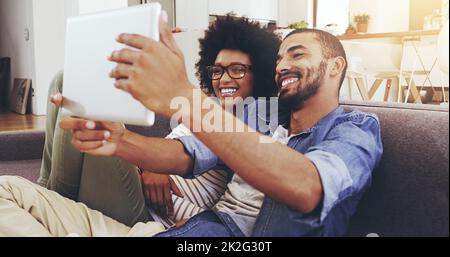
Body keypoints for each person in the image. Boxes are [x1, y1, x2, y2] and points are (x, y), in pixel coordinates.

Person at [0, 11, 382, 237]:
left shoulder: (355, 129)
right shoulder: (259, 113)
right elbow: (182, 155)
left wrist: (184, 93)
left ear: (336, 66)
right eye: (280, 57)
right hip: (162, 232)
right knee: (6, 190)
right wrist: (120, 141)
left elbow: (307, 187)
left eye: (296, 55)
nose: (282, 65)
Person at [36, 15, 280, 229]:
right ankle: (47, 190)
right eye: (216, 71)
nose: (223, 79)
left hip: (148, 212)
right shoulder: (209, 105)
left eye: (237, 70)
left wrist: (160, 168)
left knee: (79, 89)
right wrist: (151, 167)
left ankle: (52, 201)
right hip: (136, 178)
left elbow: (192, 154)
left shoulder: (254, 116)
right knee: (62, 79)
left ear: (259, 72)